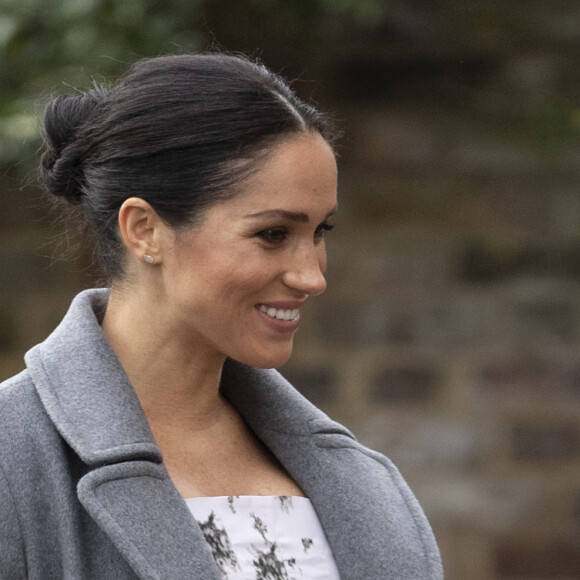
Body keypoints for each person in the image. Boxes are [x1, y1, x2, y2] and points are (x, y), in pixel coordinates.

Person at [0, 53, 443, 579]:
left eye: (320, 232)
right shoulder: (13, 461)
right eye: (273, 234)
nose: (313, 276)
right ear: (145, 229)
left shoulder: (361, 479)